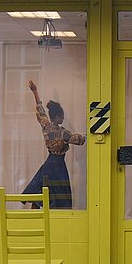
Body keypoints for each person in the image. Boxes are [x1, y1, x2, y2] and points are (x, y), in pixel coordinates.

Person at [23, 80, 86, 208]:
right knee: (61, 197)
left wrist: (35, 92)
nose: (63, 118)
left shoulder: (46, 126)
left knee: (42, 190)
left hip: (48, 165)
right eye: (62, 117)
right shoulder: (64, 133)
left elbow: (41, 110)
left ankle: (34, 212)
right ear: (57, 117)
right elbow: (80, 140)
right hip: (59, 167)